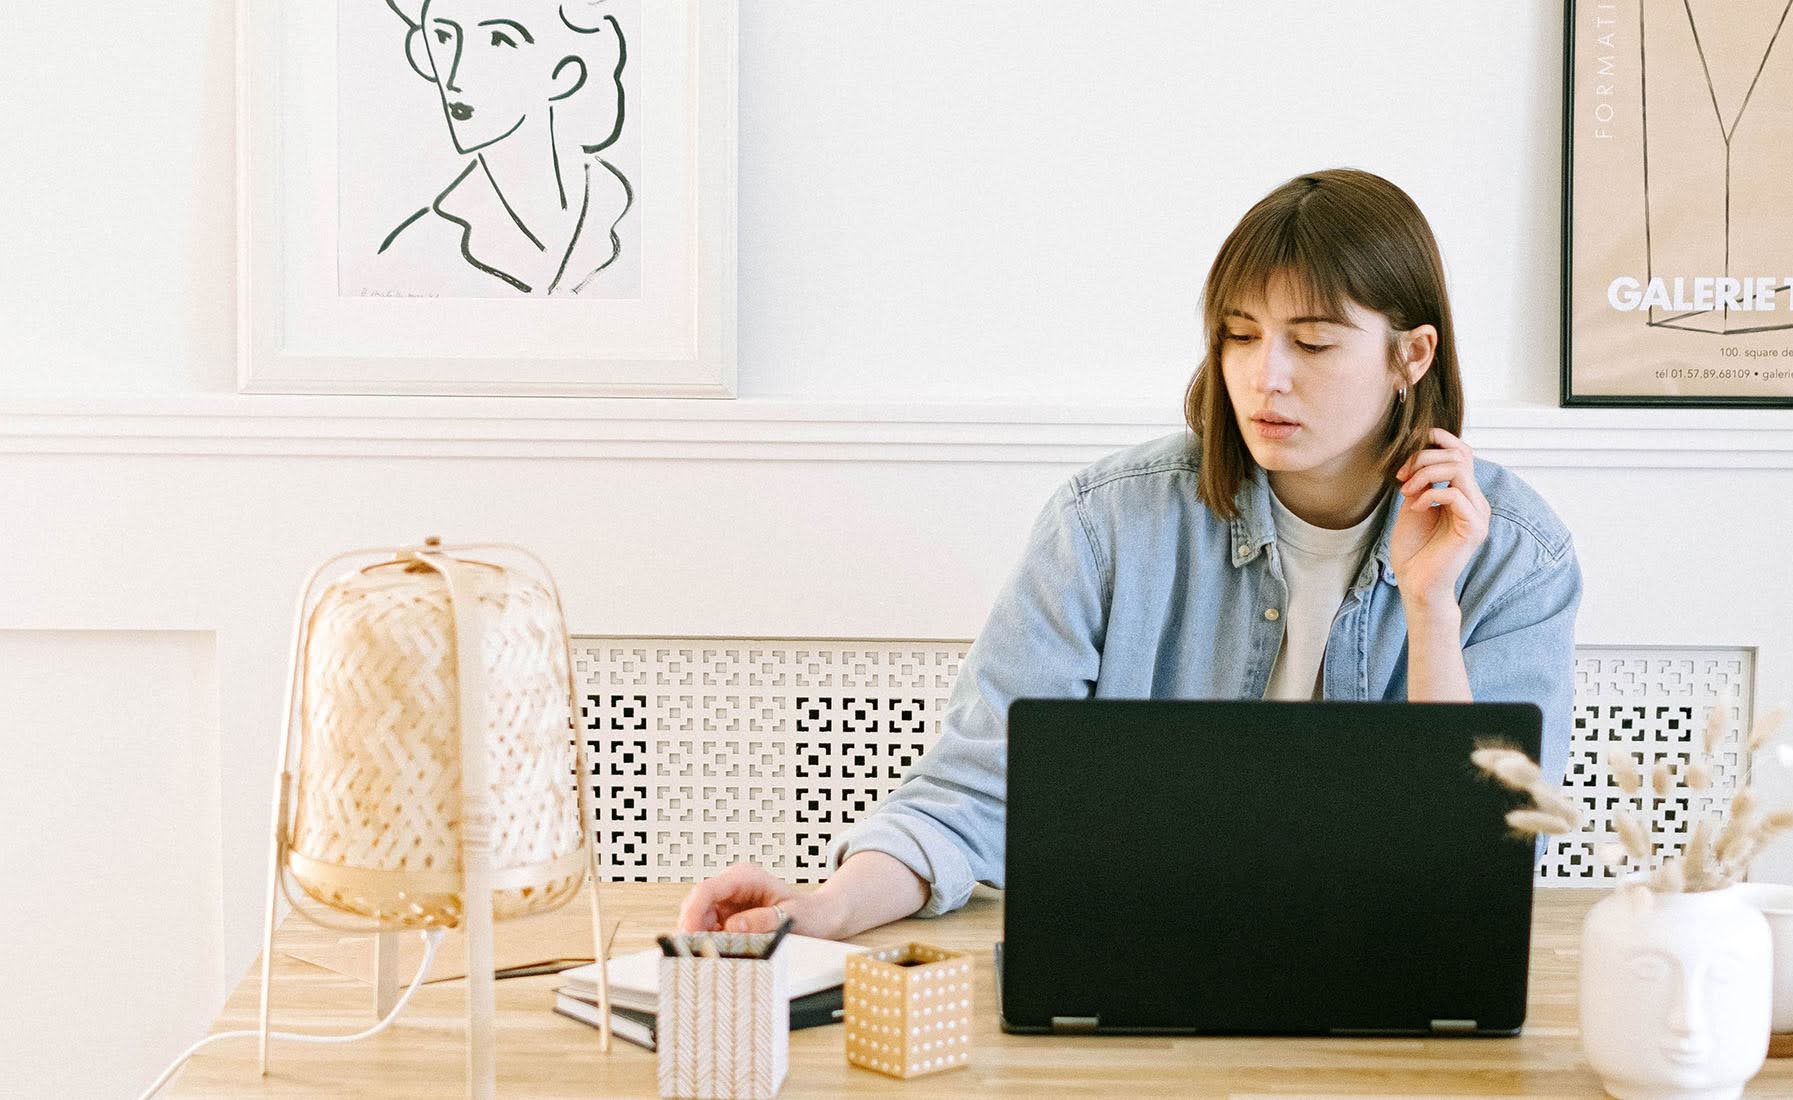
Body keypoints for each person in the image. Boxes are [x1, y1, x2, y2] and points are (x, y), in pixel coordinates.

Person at [679, 168, 1583, 940]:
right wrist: (826, 908)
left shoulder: (1517, 558)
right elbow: (977, 791)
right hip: (1144, 962)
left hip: (1386, 972)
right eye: (1239, 335)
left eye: (1311, 342)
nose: (1264, 377)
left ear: (1411, 355)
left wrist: (1430, 608)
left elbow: (1479, 862)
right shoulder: (1109, 523)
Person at [377, 0, 634, 295]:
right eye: (443, 37)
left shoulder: (628, 212)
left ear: (565, 73)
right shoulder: (417, 249)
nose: (455, 78)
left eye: (498, 40)